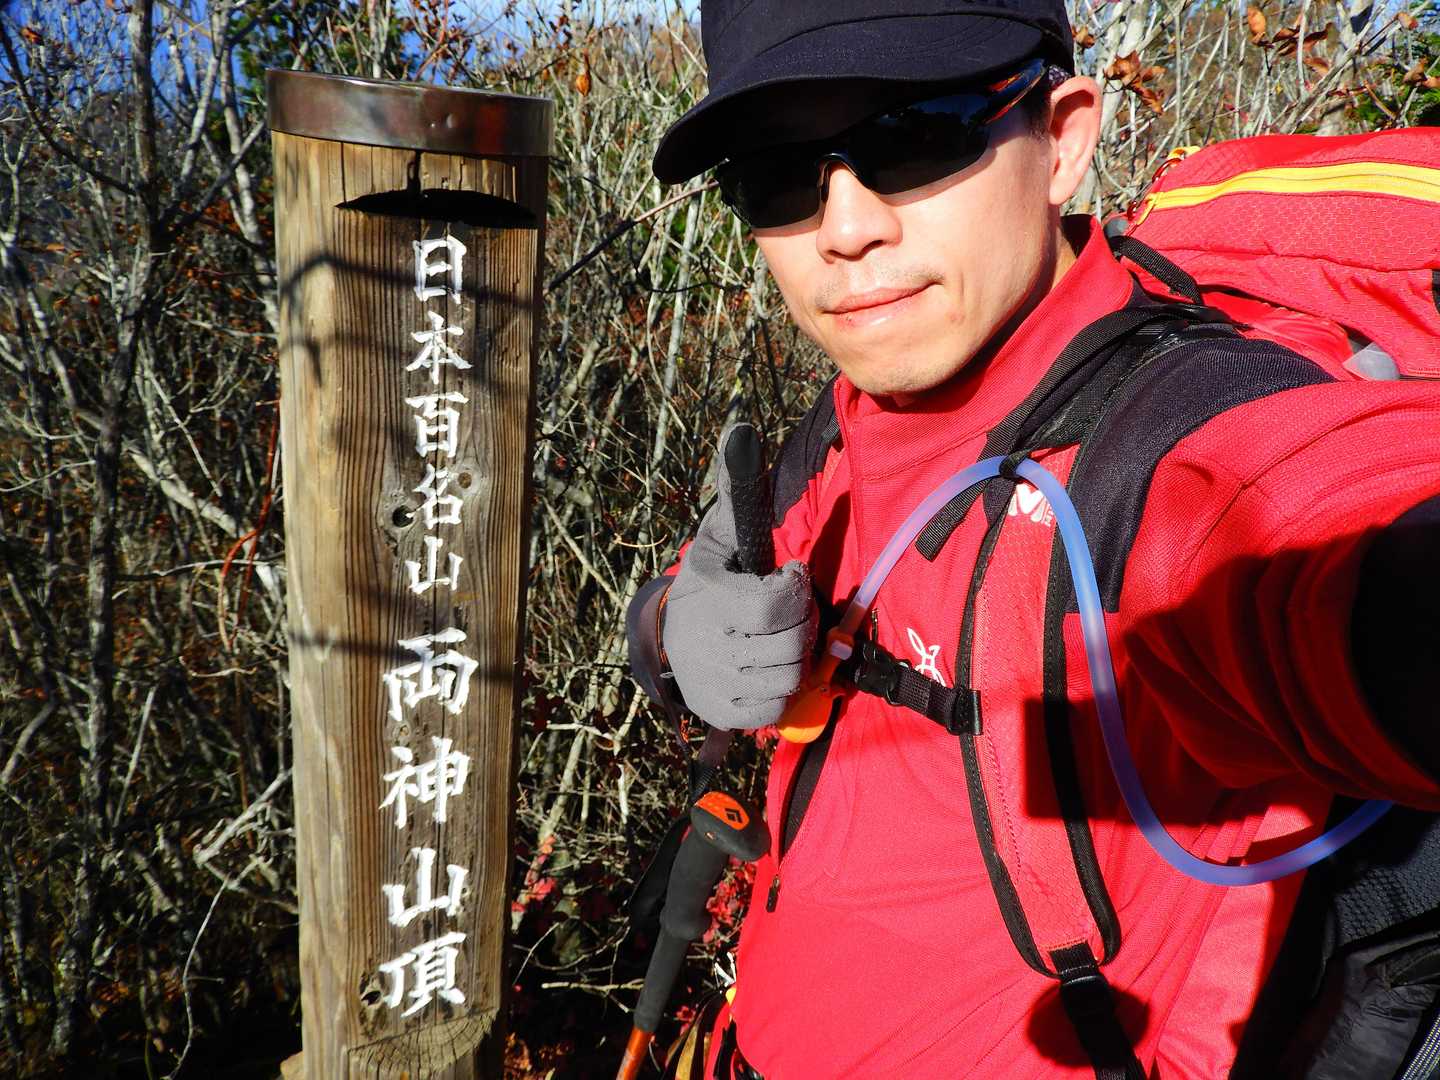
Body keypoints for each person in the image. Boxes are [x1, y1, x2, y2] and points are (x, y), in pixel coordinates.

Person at [625, 1, 1440, 1076]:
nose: (844, 229)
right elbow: (738, 570)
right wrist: (668, 628)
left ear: (1063, 141)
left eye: (913, 136)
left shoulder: (1163, 443)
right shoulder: (854, 408)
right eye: (776, 174)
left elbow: (1319, 539)